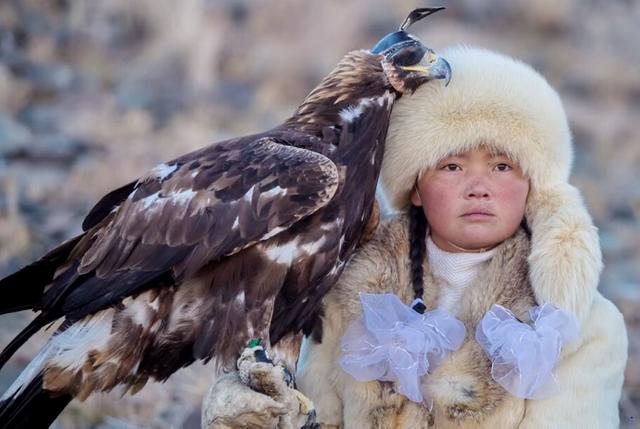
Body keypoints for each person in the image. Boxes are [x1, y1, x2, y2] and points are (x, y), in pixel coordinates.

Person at [202, 46, 628, 428]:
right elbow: (322, 418)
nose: (478, 187)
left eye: (501, 166)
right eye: (452, 166)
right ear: (417, 188)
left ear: (531, 184)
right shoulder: (354, 297)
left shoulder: (580, 325)